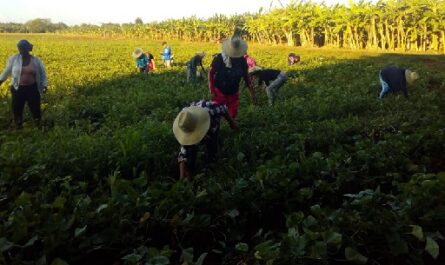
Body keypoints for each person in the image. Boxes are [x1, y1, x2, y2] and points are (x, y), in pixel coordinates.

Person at [173, 100, 238, 180]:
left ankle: (210, 164)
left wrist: (231, 122)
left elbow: (223, 108)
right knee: (191, 153)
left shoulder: (211, 110)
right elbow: (183, 154)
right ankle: (191, 172)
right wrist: (181, 178)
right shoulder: (185, 124)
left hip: (212, 126)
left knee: (212, 147)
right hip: (195, 123)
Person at [208, 29, 256, 118]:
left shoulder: (242, 61)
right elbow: (211, 73)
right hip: (219, 91)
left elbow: (246, 77)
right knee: (217, 113)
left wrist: (252, 93)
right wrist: (212, 90)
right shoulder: (220, 58)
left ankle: (231, 125)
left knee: (232, 114)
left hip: (233, 92)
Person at [0, 39, 48, 128]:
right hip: (17, 88)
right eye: (20, 49)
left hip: (32, 89)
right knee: (17, 109)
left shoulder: (36, 60)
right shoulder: (14, 59)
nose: (21, 51)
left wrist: (44, 85)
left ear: (28, 49)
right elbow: (6, 71)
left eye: (23, 49)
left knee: (35, 109)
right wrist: (0, 81)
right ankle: (18, 127)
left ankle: (38, 126)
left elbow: (42, 73)